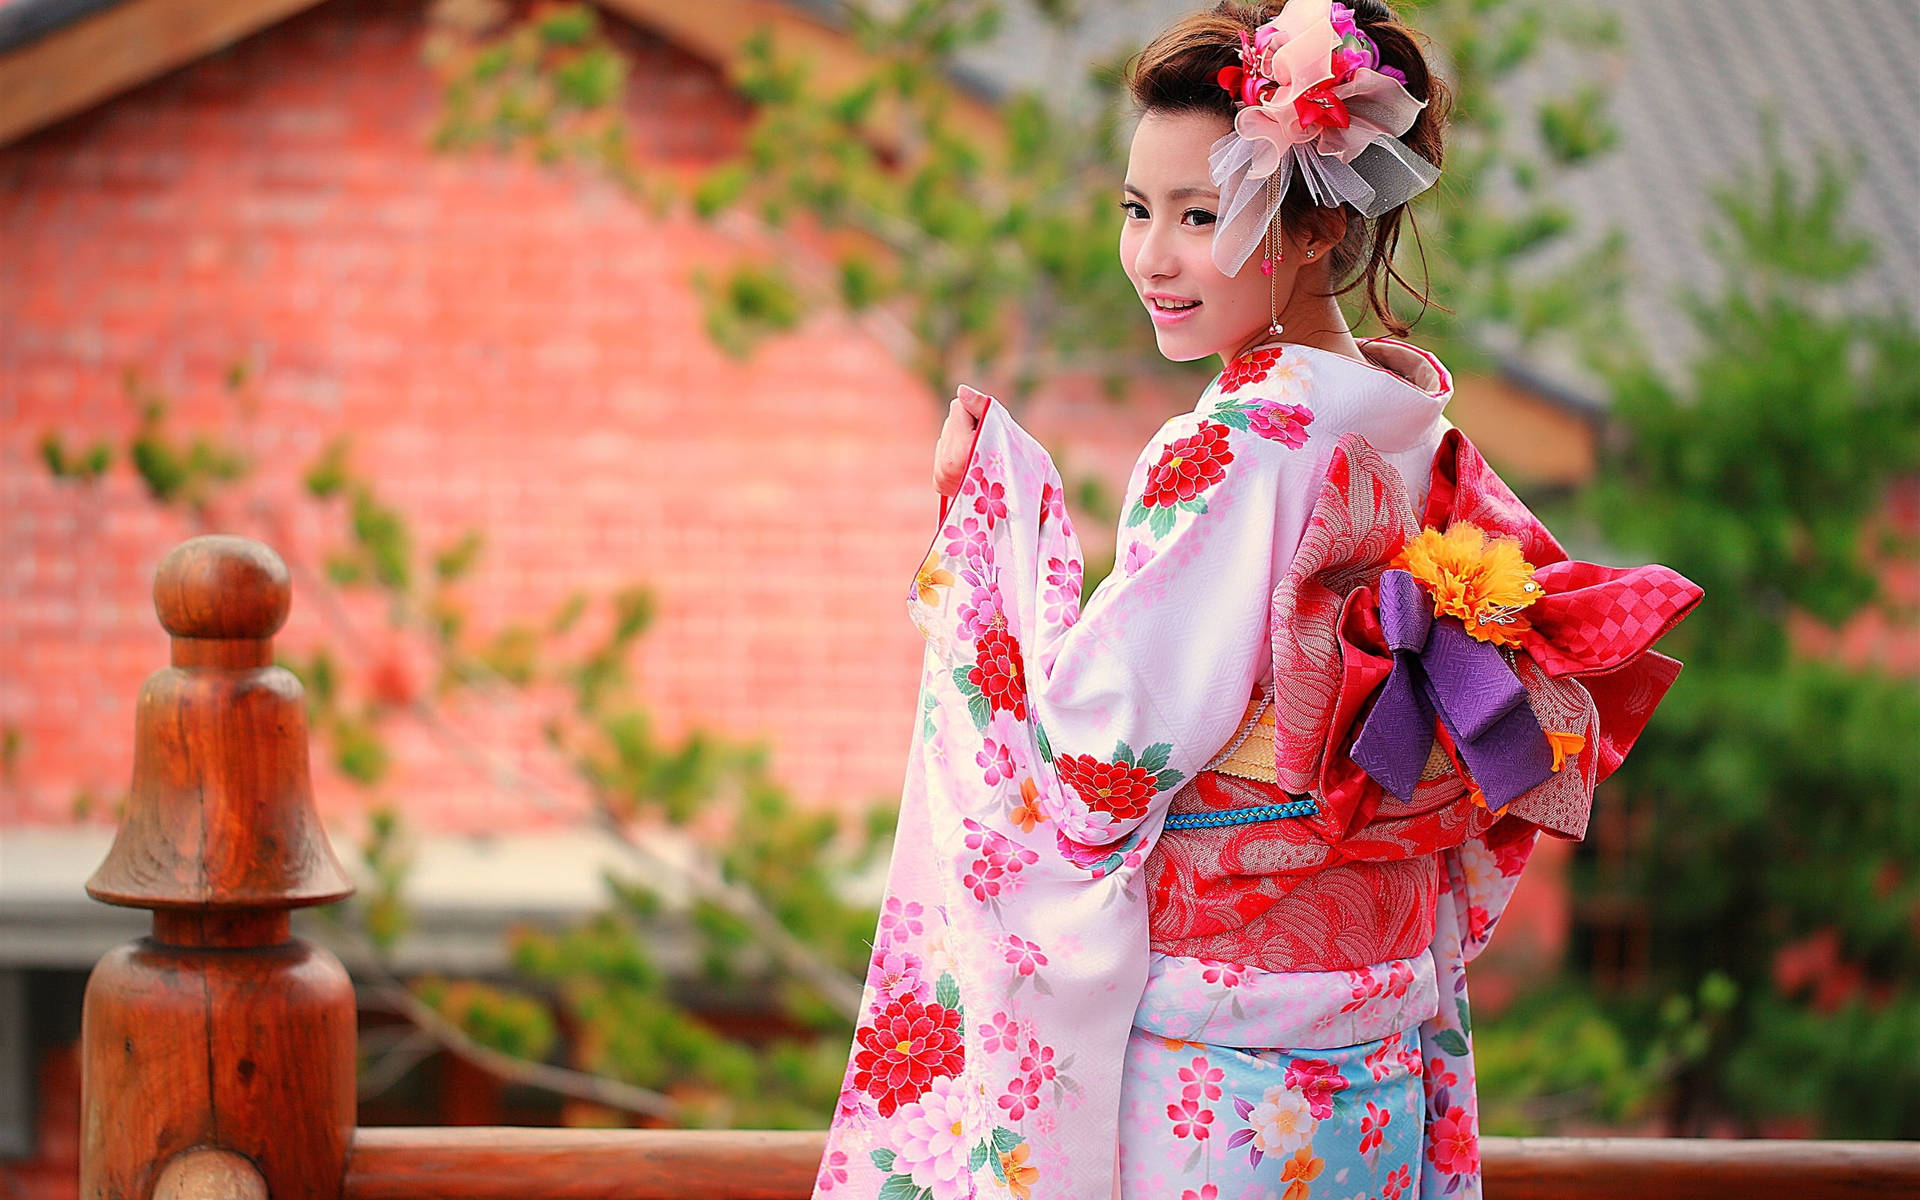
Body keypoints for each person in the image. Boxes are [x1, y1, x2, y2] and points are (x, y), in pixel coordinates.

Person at [813, 3, 1700, 1198]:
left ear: (1322, 224)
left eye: (1199, 215)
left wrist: (984, 539)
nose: (1152, 258)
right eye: (1139, 211)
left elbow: (1095, 768)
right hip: (1374, 1041)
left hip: (1220, 1070)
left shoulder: (1240, 445)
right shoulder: (1407, 424)